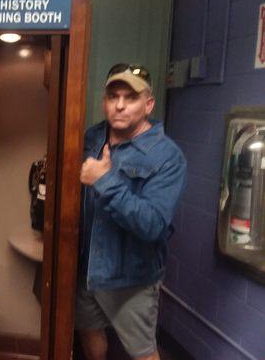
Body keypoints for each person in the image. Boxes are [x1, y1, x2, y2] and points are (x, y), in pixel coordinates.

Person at [76, 63, 186, 360]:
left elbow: (152, 224)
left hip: (132, 279)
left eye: (131, 97)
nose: (120, 105)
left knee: (143, 352)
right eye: (113, 96)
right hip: (86, 270)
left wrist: (104, 180)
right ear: (104, 101)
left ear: (148, 104)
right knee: (89, 333)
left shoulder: (167, 156)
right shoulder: (92, 138)